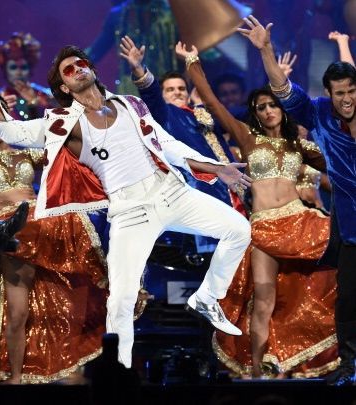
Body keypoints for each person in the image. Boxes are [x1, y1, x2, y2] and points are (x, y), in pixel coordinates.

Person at [0, 45, 252, 369]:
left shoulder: (130, 104)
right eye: (69, 70)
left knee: (240, 229)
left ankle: (207, 297)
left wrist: (216, 167)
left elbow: (167, 144)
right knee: (121, 300)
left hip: (172, 193)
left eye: (81, 63)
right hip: (131, 212)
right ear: (64, 87)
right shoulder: (63, 123)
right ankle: (119, 373)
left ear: (92, 69)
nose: (78, 69)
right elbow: (15, 132)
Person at [175, 40, 338, 378]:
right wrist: (192, 63)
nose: (267, 110)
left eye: (272, 104)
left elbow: (341, 166)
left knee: (333, 274)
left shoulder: (301, 145)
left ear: (283, 108)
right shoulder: (248, 138)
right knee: (263, 300)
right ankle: (257, 374)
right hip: (263, 228)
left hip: (299, 223)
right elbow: (213, 103)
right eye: (260, 106)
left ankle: (316, 354)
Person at [0, 83, 108, 384]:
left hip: (45, 230)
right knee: (18, 314)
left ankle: (71, 369)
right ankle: (15, 377)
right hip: (11, 236)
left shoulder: (28, 155)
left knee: (61, 304)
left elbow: (63, 142)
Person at [238, 14, 356, 385]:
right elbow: (283, 88)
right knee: (348, 301)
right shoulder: (320, 114)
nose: (347, 99)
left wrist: (344, 46)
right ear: (330, 95)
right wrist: (266, 50)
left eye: (352, 91)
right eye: (339, 93)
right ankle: (349, 367)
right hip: (350, 229)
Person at [119, 35, 243, 255]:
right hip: (200, 195)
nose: (177, 92)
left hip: (231, 193)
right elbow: (152, 96)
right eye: (170, 89)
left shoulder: (201, 116)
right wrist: (139, 70)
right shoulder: (164, 115)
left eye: (181, 88)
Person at [0, 32, 56, 120]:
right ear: (5, 70)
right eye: (13, 67)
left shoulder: (45, 95)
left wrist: (35, 102)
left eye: (23, 67)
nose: (19, 72)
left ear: (29, 69)